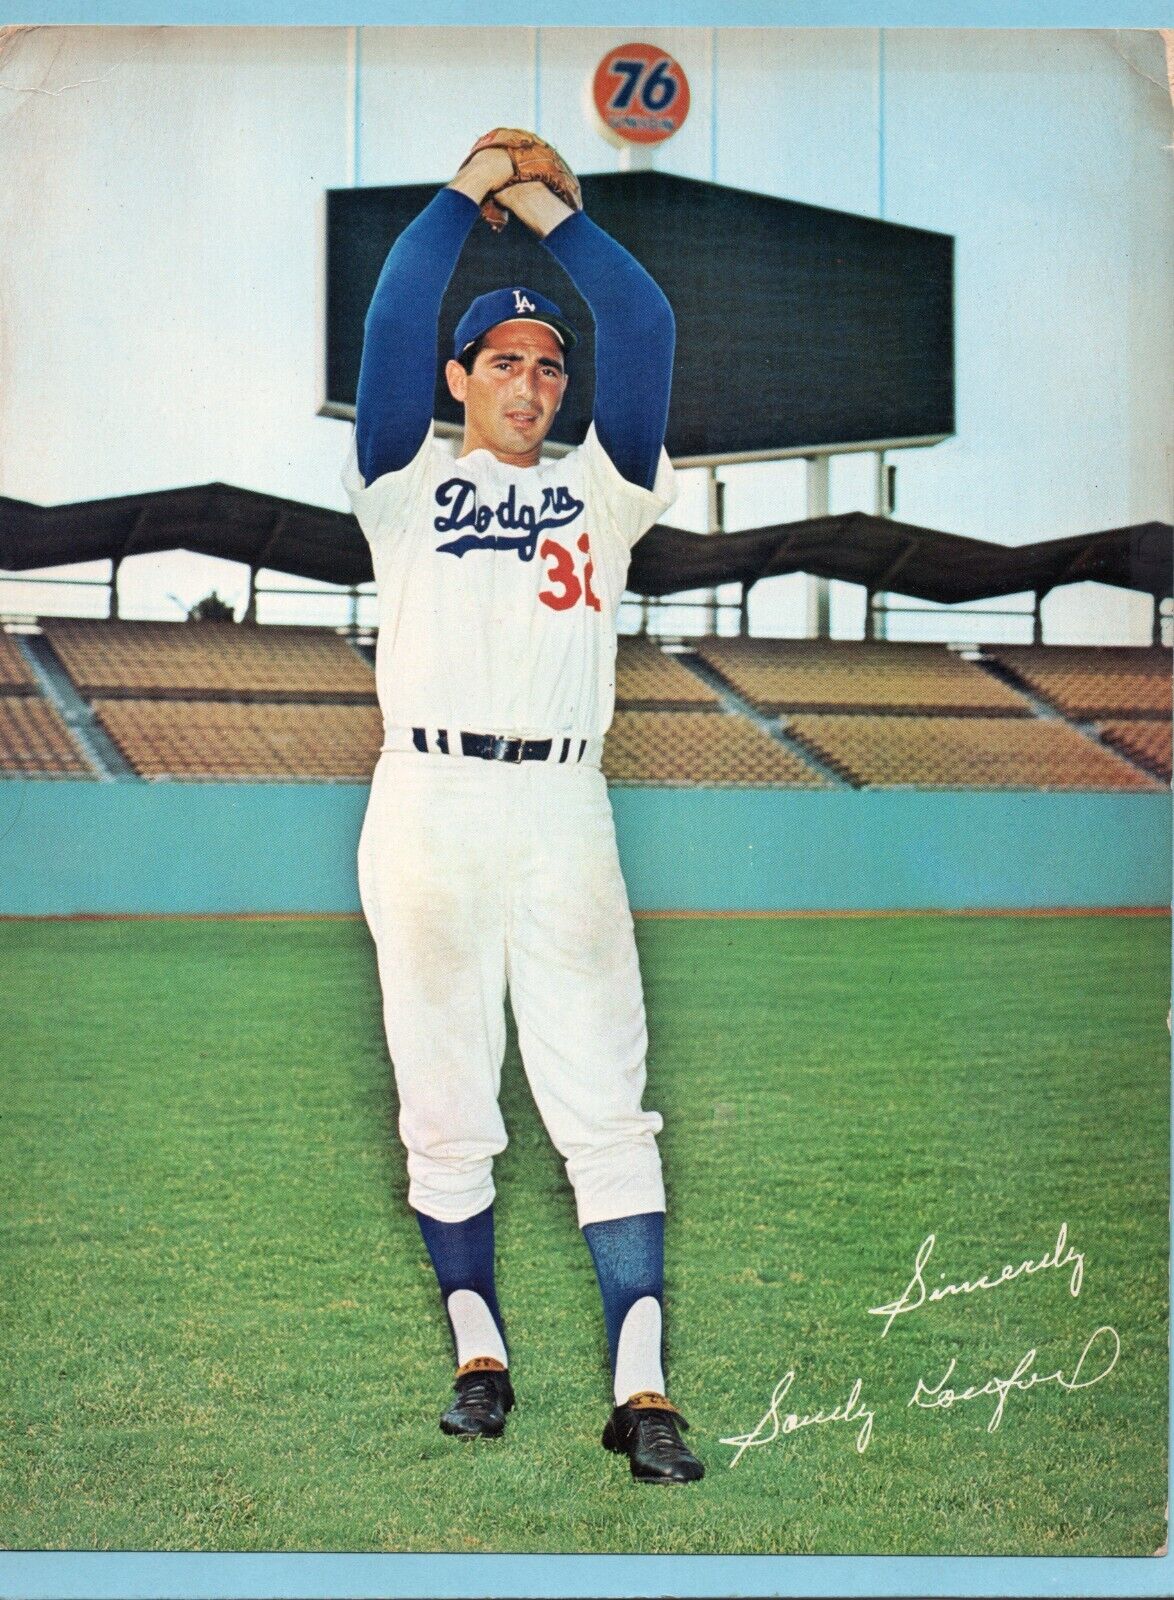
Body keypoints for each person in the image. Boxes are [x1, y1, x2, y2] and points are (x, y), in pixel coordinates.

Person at [342, 131, 703, 1485]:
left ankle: (642, 1386)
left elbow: (644, 318)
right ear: (459, 379)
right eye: (504, 360)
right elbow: (391, 314)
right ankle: (477, 1350)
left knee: (603, 1101)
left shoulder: (600, 489)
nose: (533, 381)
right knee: (443, 1101)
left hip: (559, 806)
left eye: (548, 365)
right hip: (424, 800)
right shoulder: (401, 482)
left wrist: (542, 206)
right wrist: (461, 187)